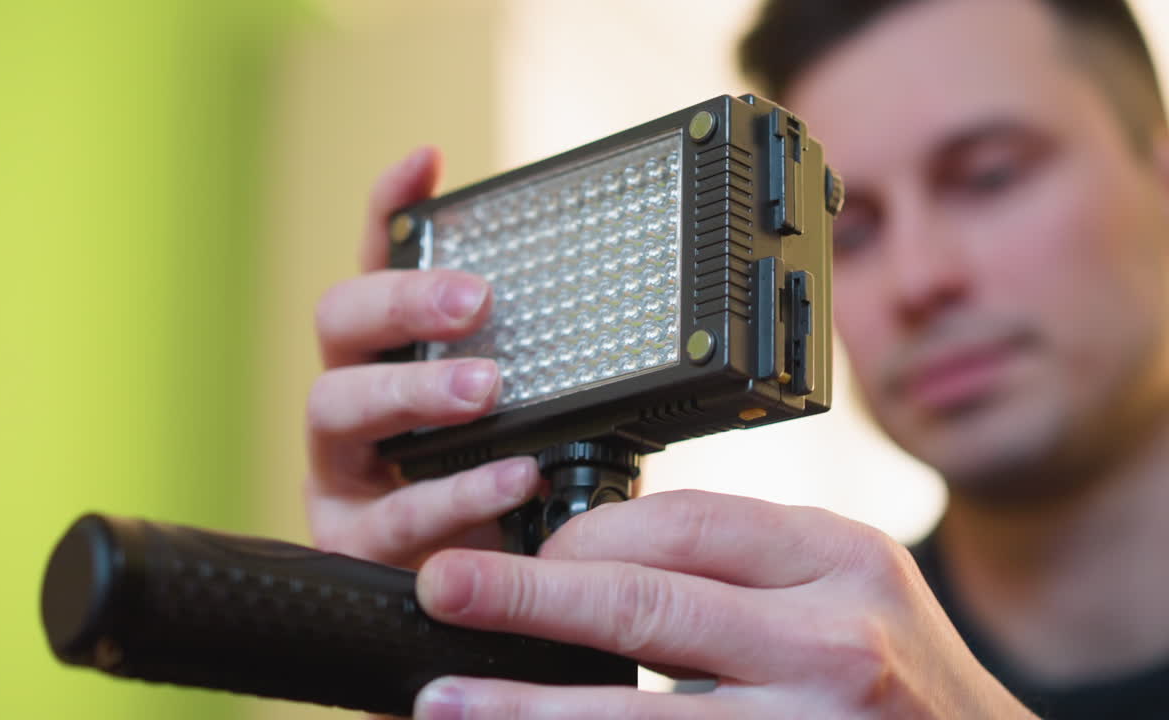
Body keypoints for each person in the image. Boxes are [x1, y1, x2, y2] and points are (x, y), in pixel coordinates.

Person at [306, 0, 1169, 716]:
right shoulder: (773, 694)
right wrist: (460, 653)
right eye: (843, 233)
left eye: (989, 176)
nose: (918, 277)